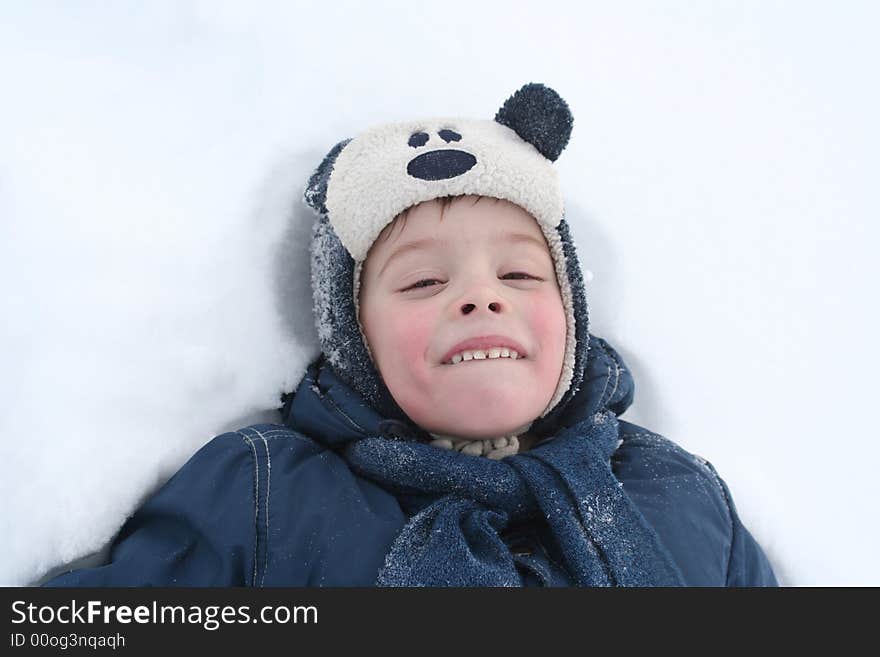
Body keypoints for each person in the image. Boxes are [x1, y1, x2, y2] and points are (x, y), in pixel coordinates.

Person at [44, 83, 777, 587]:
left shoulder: (677, 492)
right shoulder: (267, 497)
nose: (481, 297)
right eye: (425, 282)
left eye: (520, 275)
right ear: (356, 341)